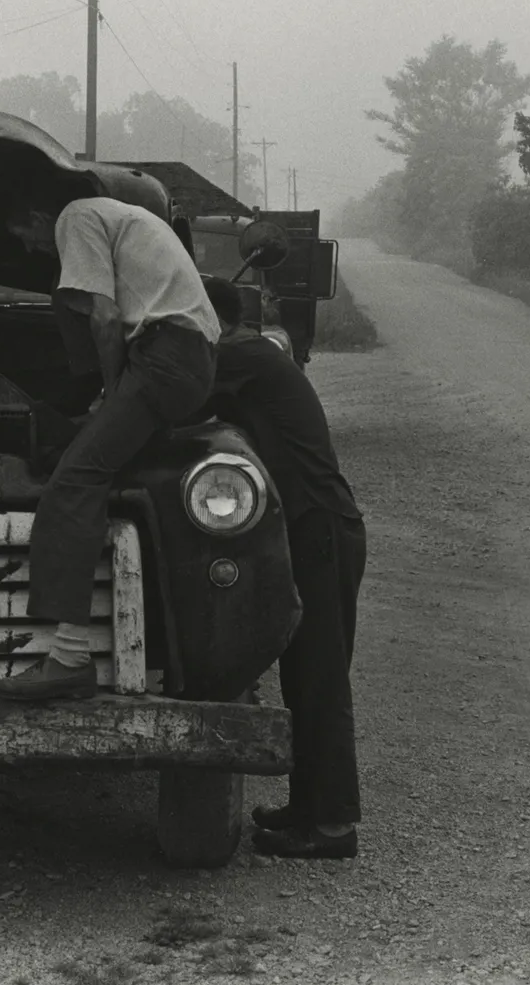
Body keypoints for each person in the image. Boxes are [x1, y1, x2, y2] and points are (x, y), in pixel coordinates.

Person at [0, 195, 221, 702]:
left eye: (23, 235)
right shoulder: (114, 217)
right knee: (97, 466)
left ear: (37, 213)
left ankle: (69, 659)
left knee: (74, 479)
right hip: (182, 357)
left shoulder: (74, 216)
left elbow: (106, 318)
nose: (28, 248)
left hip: (165, 355)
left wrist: (110, 392)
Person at [202, 277, 366, 859]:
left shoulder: (238, 354)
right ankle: (308, 808)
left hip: (320, 529)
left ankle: (334, 827)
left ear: (209, 319)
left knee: (320, 676)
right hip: (314, 528)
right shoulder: (248, 356)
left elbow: (170, 395)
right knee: (302, 673)